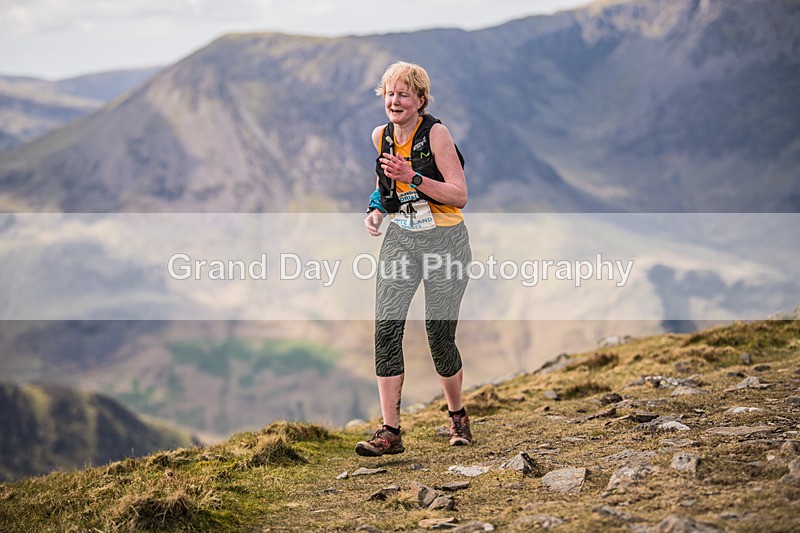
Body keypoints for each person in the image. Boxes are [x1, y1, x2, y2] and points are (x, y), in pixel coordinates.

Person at [356, 61, 472, 457]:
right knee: (386, 330)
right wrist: (376, 210)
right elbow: (383, 184)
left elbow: (459, 195)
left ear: (420, 100)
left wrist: (414, 177)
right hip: (402, 240)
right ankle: (390, 432)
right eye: (389, 94)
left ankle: (457, 416)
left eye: (403, 94)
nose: (394, 101)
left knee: (439, 337)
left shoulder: (436, 134)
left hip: (445, 241)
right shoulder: (381, 136)